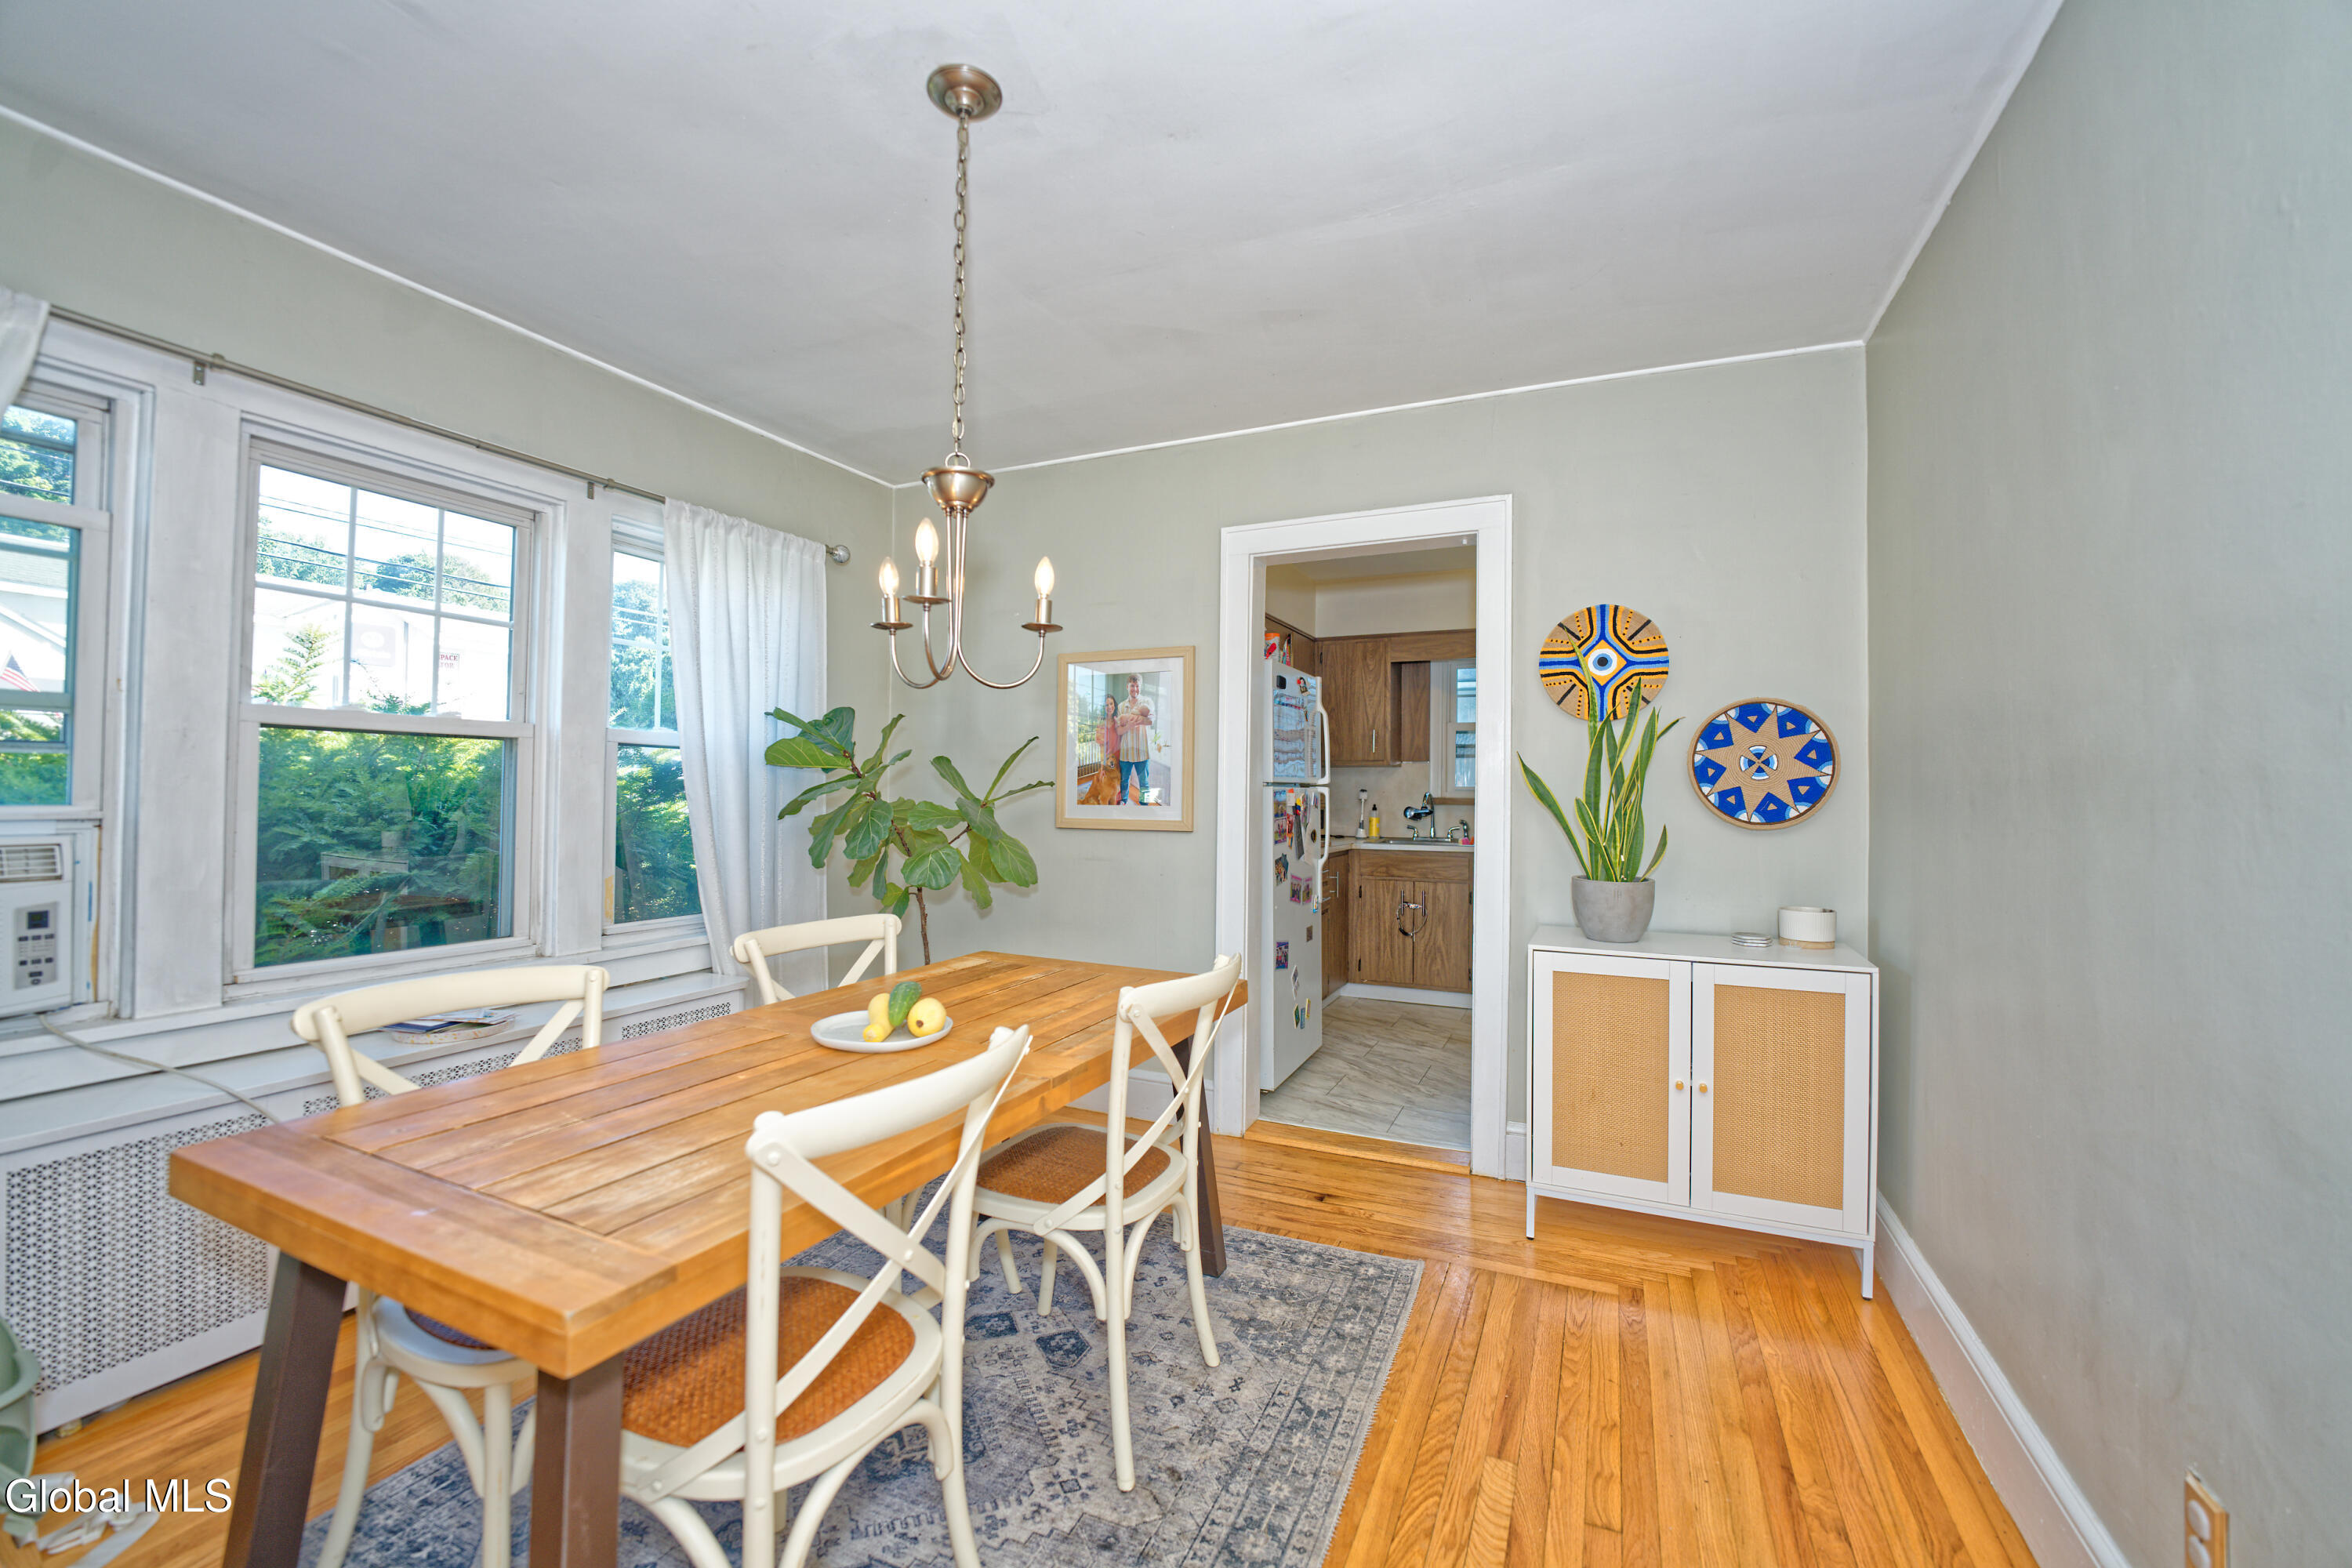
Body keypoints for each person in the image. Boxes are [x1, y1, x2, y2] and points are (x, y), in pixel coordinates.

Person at [1115, 674, 1155, 804]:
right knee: (1124, 781)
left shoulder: (1147, 702)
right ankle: (1123, 802)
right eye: (1133, 686)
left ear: (1140, 687)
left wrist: (1136, 721)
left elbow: (1151, 721)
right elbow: (1119, 730)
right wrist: (1129, 725)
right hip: (1126, 751)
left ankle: (1145, 805)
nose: (1135, 689)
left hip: (1142, 751)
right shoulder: (1121, 706)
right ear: (1128, 687)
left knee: (1144, 783)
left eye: (1138, 686)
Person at [1079, 693, 1121, 805]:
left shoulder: (1119, 722)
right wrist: (1102, 767)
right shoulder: (1101, 725)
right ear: (1103, 708)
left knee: (1118, 788)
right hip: (1108, 762)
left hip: (1119, 759)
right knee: (1106, 790)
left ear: (1114, 705)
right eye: (1106, 705)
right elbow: (1101, 749)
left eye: (1111, 704)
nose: (1109, 707)